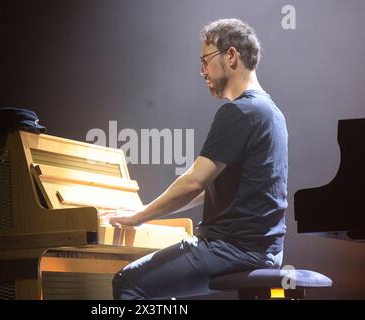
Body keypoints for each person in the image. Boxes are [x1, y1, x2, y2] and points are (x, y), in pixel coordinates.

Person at [103, 18, 288, 300]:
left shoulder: (240, 111)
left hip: (232, 251)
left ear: (231, 55)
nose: (202, 71)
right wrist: (150, 213)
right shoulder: (272, 112)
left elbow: (193, 182)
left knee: (128, 283)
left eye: (205, 60)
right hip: (267, 251)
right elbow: (206, 190)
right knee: (162, 290)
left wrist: (139, 216)